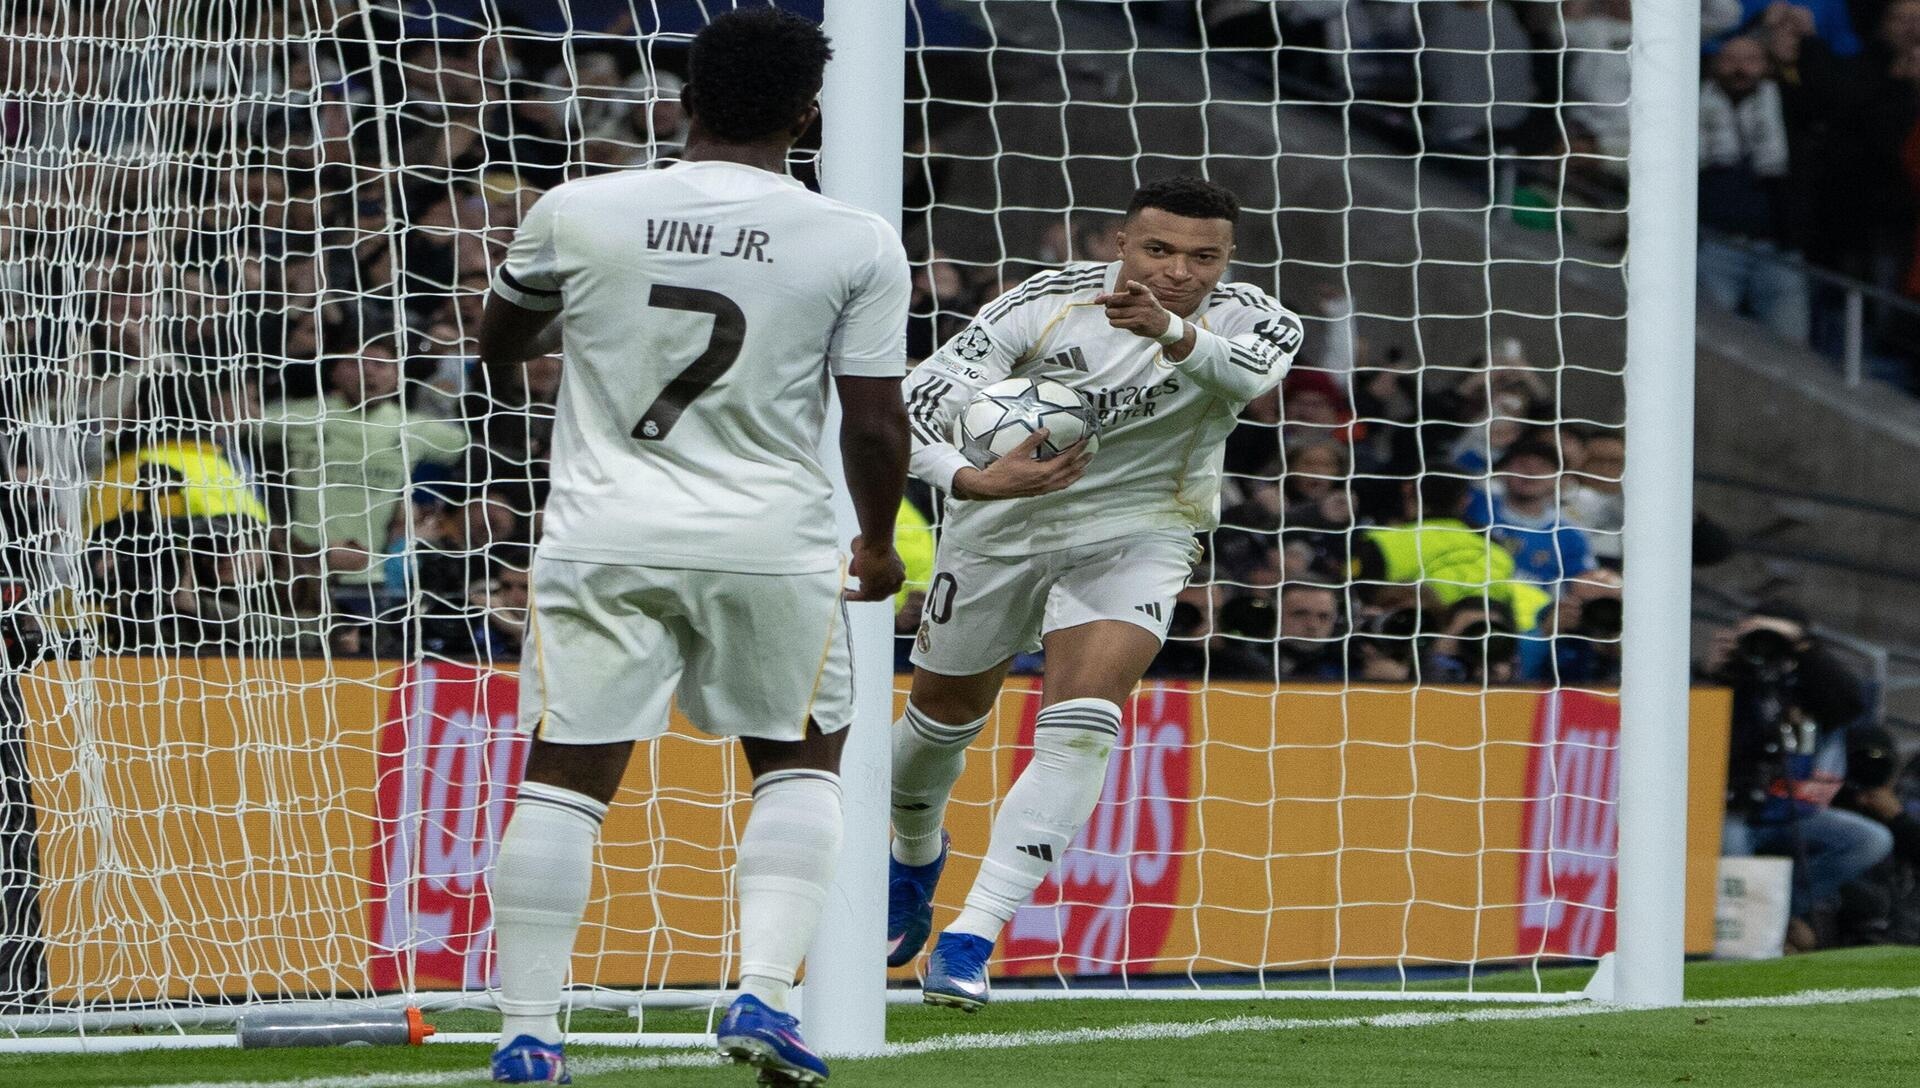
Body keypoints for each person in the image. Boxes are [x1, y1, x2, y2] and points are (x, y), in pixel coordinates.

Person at [476, 11, 911, 1085]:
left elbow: (502, 342)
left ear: (681, 101)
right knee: (802, 763)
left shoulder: (578, 209)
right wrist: (877, 540)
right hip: (771, 541)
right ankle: (763, 992)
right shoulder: (854, 237)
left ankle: (530, 1032)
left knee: (565, 778)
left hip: (601, 533)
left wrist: (554, 339)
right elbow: (873, 421)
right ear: (808, 113)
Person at [891, 175, 1304, 1008]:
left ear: (1229, 259)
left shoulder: (1255, 318)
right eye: (1159, 250)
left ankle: (973, 936)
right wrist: (969, 478)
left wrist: (1176, 333)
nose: (1181, 270)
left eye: (1203, 257)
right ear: (1118, 244)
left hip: (1141, 530)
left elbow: (1248, 380)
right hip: (1000, 525)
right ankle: (912, 852)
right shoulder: (1043, 301)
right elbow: (910, 404)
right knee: (935, 730)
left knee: (1082, 723)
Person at [1706, 600, 1892, 949]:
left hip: (1792, 811)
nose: (1766, 644)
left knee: (1871, 840)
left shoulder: (1810, 680)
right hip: (1730, 807)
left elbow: (1849, 703)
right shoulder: (1731, 674)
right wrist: (1714, 671)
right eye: (1758, 634)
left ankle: (1778, 913)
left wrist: (1800, 649)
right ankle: (1734, 943)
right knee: (1734, 855)